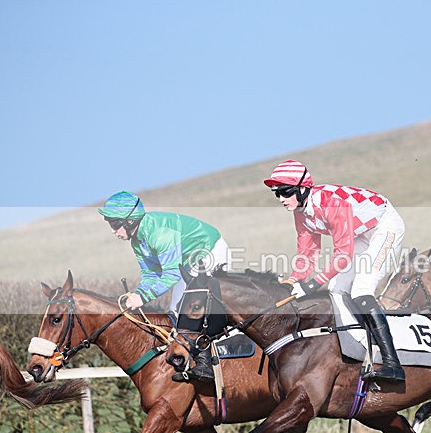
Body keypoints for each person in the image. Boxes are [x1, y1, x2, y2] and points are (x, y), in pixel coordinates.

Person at [264, 160, 406, 383]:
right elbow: (307, 252)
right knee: (336, 288)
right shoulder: (300, 210)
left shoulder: (330, 203)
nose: (281, 199)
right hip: (360, 233)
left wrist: (312, 284)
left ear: (302, 188)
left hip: (384, 226)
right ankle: (359, 344)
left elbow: (343, 253)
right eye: (277, 194)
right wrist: (292, 280)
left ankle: (392, 363)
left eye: (285, 192)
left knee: (361, 289)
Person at [98, 190, 231, 382]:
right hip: (187, 263)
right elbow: (151, 274)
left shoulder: (159, 233)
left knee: (195, 310)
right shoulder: (137, 240)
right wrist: (138, 294)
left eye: (114, 223)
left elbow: (171, 274)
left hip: (209, 251)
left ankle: (209, 363)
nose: (112, 230)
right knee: (176, 311)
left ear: (129, 221)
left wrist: (142, 298)